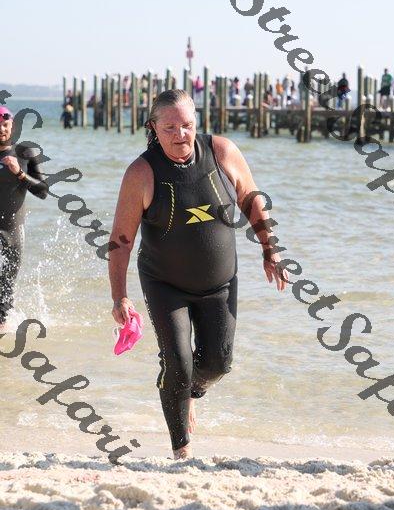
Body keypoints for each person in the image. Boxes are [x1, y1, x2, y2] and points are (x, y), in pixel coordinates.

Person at [108, 89, 288, 460]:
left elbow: (251, 198)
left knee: (217, 363)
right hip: (165, 284)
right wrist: (119, 296)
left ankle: (191, 392)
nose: (181, 135)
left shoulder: (222, 152)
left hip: (219, 284)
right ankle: (181, 451)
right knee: (177, 362)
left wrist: (270, 248)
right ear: (153, 128)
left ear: (196, 122)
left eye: (187, 125)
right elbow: (121, 240)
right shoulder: (142, 173)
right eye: (170, 128)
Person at [0, 106, 49, 331]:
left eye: (5, 125)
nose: (2, 129)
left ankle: (3, 333)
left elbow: (43, 191)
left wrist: (19, 173)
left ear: (12, 126)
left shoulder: (25, 153)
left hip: (12, 231)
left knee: (6, 286)